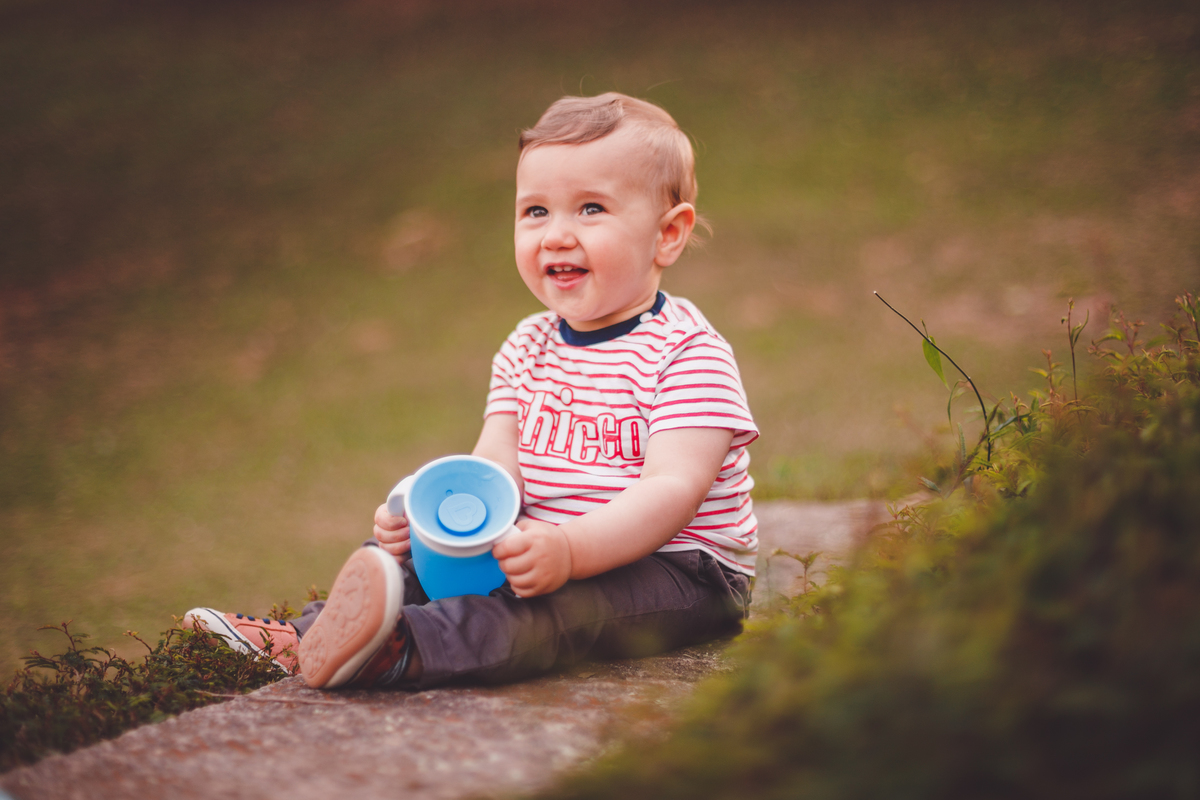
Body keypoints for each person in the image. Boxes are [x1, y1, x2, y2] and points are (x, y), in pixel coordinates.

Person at [184, 92, 759, 691]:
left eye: (591, 208)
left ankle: (400, 648)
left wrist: (569, 551)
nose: (556, 235)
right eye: (536, 211)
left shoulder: (687, 353)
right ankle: (308, 636)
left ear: (668, 234)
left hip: (678, 571)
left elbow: (672, 491)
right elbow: (496, 468)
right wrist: (429, 519)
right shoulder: (527, 344)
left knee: (556, 613)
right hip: (544, 543)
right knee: (411, 557)